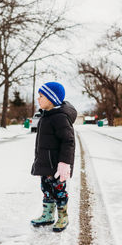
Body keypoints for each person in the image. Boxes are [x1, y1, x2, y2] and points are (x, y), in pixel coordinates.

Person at [30, 81, 77, 232]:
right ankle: (48, 215)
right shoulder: (46, 115)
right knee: (46, 189)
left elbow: (68, 141)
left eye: (41, 96)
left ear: (51, 99)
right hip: (45, 164)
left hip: (57, 166)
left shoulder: (60, 118)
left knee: (59, 191)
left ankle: (63, 217)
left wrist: (64, 163)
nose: (38, 99)